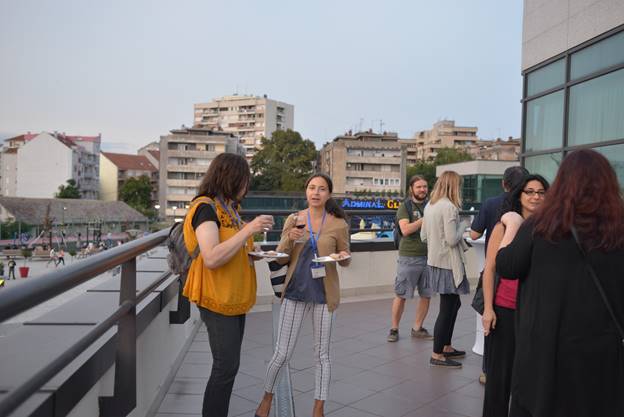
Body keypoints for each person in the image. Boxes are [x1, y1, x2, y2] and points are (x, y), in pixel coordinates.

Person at [496, 149, 624, 417]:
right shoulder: (618, 229)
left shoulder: (542, 226)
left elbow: (507, 266)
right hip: (601, 357)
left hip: (545, 358)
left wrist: (512, 224)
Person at [181, 153, 274, 417]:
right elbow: (211, 256)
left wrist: (253, 250)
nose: (246, 186)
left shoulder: (230, 209)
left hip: (233, 297)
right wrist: (249, 229)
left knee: (229, 367)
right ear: (230, 178)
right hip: (216, 297)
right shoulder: (205, 207)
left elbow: (233, 248)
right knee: (225, 367)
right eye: (244, 180)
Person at [255, 173, 351, 417]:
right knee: (282, 353)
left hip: (324, 295)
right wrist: (289, 238)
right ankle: (267, 397)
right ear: (306, 191)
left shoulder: (338, 224)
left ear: (329, 194)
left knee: (322, 356)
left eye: (321, 189)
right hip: (295, 292)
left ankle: (318, 408)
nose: (315, 192)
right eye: (311, 188)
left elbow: (346, 258)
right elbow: (281, 256)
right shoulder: (294, 218)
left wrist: (342, 257)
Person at [481, 174, 549, 417]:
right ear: (519, 195)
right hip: (505, 309)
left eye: (541, 192)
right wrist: (488, 309)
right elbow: (489, 269)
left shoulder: (550, 229)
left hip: (536, 313)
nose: (535, 197)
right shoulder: (504, 226)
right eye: (529, 191)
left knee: (531, 378)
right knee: (500, 379)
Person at [420, 171, 471, 368]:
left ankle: (446, 346)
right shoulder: (449, 208)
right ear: (453, 186)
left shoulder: (430, 205)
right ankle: (437, 354)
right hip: (448, 264)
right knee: (447, 308)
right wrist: (464, 225)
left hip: (434, 261)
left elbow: (424, 236)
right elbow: (451, 239)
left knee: (453, 304)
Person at [387, 175, 433, 342]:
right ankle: (394, 329)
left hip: (430, 257)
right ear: (412, 189)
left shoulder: (431, 205)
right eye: (419, 187)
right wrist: (424, 219)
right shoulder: (405, 206)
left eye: (425, 186)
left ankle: (417, 328)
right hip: (409, 257)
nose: (422, 190)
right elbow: (405, 230)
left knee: (426, 295)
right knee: (401, 295)